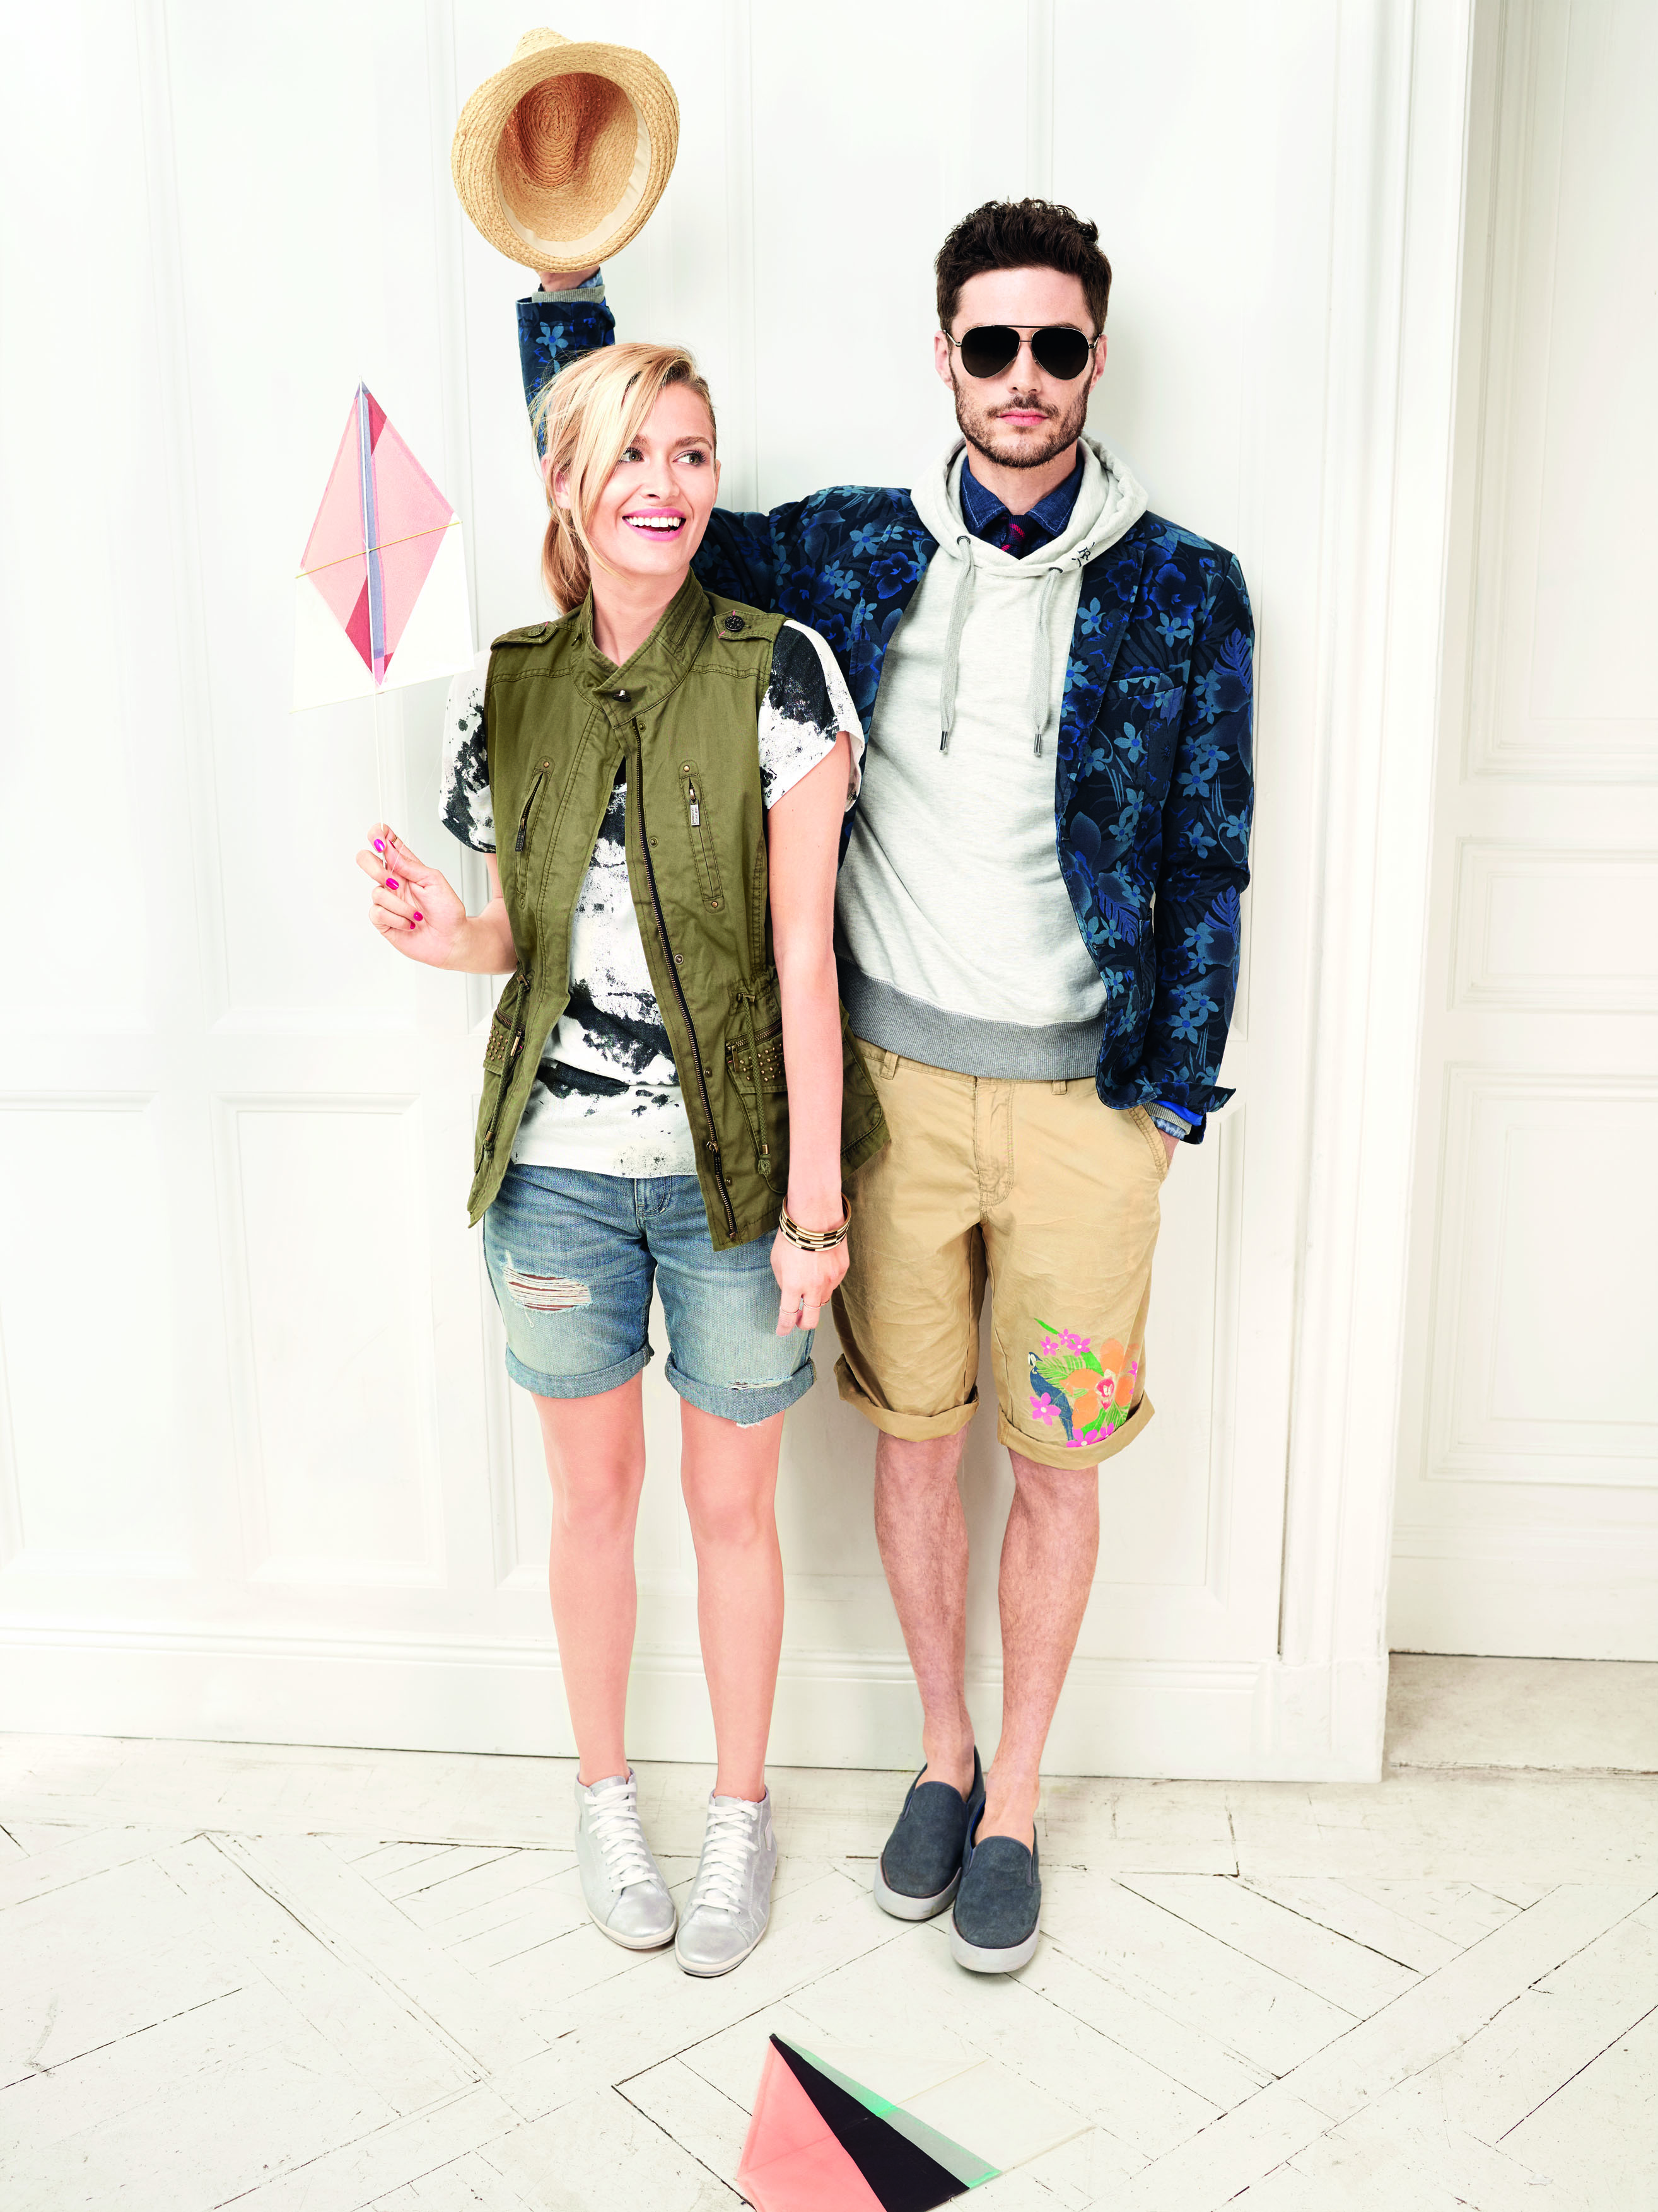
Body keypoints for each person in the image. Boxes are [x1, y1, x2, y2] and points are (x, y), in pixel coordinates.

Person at [522, 196, 1254, 1974]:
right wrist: (565, 296)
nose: (1023, 376)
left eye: (1055, 344)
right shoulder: (852, 549)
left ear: (1094, 357)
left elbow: (1209, 850)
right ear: (945, 358)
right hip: (892, 1106)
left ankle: (1018, 1808)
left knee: (1059, 1463)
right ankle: (942, 1756)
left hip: (1088, 1119)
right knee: (916, 1448)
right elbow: (638, 512)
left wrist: (1169, 1094)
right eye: (991, 344)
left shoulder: (1188, 586)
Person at [356, 340, 885, 1977]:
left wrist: (816, 1207)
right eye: (633, 454)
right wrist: (444, 932)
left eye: (692, 452)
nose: (667, 484)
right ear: (568, 486)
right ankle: (603, 1797)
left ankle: (738, 1811)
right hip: (554, 1178)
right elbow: (517, 935)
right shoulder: (508, 683)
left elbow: (806, 961)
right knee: (592, 1502)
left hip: (736, 1179)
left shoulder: (782, 675)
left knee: (734, 1512)